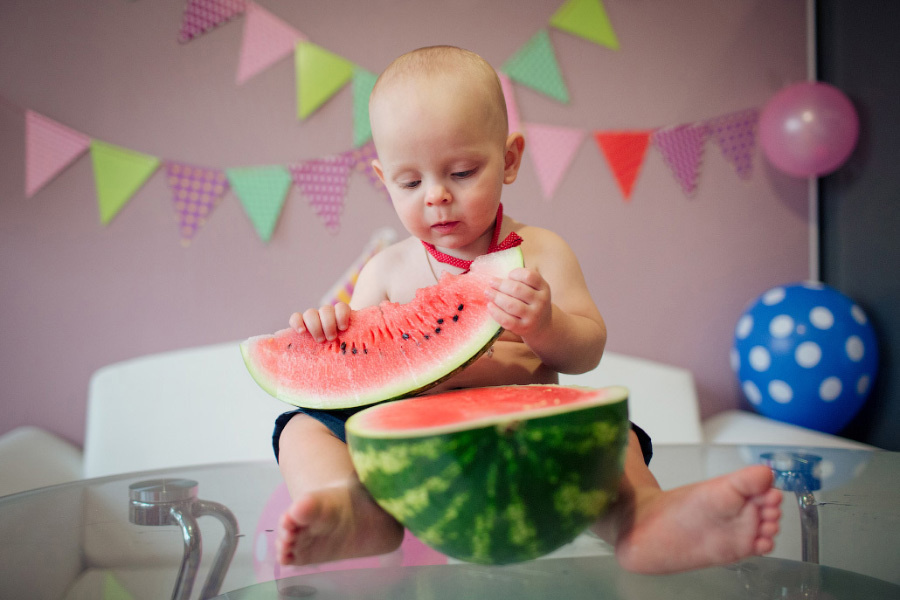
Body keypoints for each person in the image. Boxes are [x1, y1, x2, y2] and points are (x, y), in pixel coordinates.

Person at [273, 45, 782, 575]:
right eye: (410, 182)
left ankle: (642, 520)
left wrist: (546, 324)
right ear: (384, 180)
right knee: (299, 426)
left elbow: (587, 350)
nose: (436, 196)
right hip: (418, 448)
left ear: (510, 160)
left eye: (462, 172)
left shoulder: (541, 250)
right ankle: (354, 509)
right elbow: (359, 376)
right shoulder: (385, 270)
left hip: (529, 435)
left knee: (615, 435)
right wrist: (327, 331)